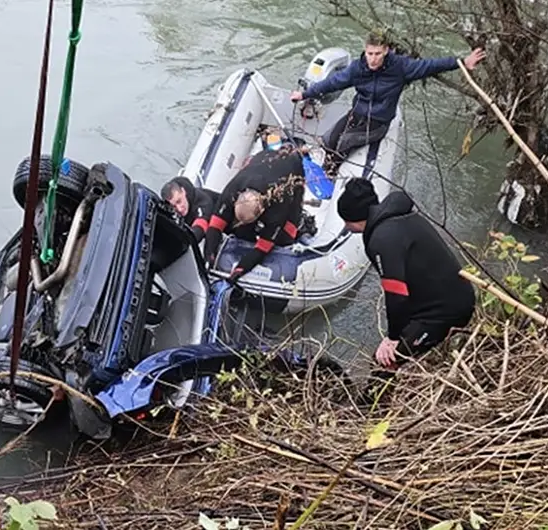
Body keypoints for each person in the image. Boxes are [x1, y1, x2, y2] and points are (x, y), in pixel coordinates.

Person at [290, 31, 487, 172]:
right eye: (369, 54)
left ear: (385, 51)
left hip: (378, 122)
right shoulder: (357, 68)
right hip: (357, 114)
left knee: (343, 143)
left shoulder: (400, 67)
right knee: (329, 139)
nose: (373, 59)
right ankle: (325, 168)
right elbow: (333, 82)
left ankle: (330, 174)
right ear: (365, 51)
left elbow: (430, 66)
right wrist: (305, 94)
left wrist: (461, 62)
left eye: (377, 54)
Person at [336, 178, 475, 370]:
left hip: (444, 311)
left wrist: (393, 338)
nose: (345, 227)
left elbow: (396, 296)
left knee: (385, 361)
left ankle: (375, 398)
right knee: (391, 348)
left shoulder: (382, 240)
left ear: (354, 218)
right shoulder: (401, 218)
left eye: (346, 222)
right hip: (449, 296)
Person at [198, 142, 306, 284]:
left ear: (261, 212)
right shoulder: (234, 188)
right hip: (263, 160)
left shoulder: (278, 205)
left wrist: (240, 270)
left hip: (292, 177)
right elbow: (215, 226)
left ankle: (302, 224)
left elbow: (262, 248)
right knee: (238, 229)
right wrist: (208, 257)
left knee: (287, 236)